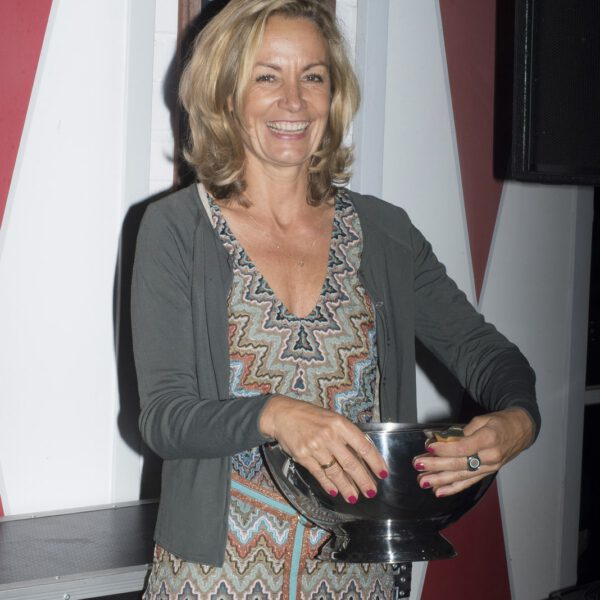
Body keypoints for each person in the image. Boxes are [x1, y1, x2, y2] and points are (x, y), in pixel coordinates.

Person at [131, 0, 540, 597]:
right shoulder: (176, 229)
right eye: (267, 76)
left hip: (359, 580)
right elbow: (165, 419)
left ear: (334, 95)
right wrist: (273, 414)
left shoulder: (383, 233)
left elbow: (488, 354)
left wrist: (518, 421)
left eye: (313, 77)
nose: (294, 101)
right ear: (224, 95)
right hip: (214, 580)